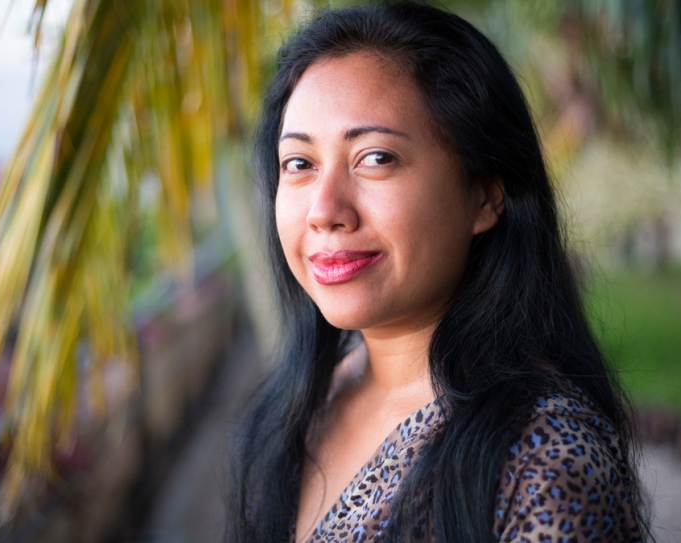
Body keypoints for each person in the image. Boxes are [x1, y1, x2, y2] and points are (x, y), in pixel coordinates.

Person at [230, 2, 648, 541]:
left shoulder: (541, 464)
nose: (325, 209)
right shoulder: (312, 400)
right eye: (300, 164)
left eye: (375, 158)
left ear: (484, 195)